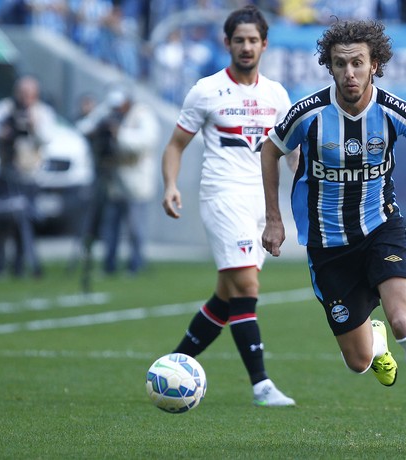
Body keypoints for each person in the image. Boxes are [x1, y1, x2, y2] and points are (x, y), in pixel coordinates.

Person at [260, 19, 406, 454]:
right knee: (358, 363)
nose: (350, 73)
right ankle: (371, 341)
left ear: (375, 65)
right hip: (328, 246)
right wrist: (274, 219)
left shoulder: (396, 111)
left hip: (382, 230)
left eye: (358, 63)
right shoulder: (308, 114)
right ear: (330, 68)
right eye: (341, 64)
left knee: (404, 322)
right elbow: (271, 149)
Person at [161, 5, 297, 407]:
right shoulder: (206, 90)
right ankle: (261, 385)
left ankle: (174, 366)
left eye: (253, 40)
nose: (246, 47)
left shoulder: (275, 93)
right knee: (247, 287)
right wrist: (170, 183)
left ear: (264, 45)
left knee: (228, 294)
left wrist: (302, 170)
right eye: (239, 40)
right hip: (222, 196)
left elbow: (290, 149)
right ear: (227, 43)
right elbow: (175, 144)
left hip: (262, 201)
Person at [76, 87, 160, 275]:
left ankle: (135, 264)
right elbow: (85, 126)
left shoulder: (142, 115)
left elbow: (146, 142)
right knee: (110, 225)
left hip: (136, 181)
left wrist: (119, 133)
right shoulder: (108, 112)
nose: (117, 109)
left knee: (135, 227)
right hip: (113, 180)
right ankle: (109, 264)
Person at [0, 75, 55, 278]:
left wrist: (33, 125)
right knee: (0, 220)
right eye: (23, 93)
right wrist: (1, 132)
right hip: (6, 171)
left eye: (30, 94)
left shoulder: (42, 112)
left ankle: (20, 265)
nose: (26, 98)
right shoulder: (5, 108)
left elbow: (47, 137)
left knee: (24, 223)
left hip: (29, 175)